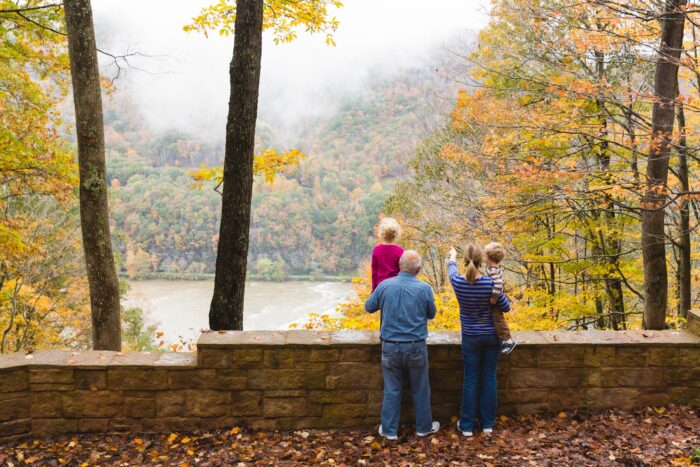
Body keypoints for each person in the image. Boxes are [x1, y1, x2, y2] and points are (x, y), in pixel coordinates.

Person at [365, 250, 439, 440]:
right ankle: (423, 428)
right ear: (418, 269)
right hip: (416, 346)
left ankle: (389, 431)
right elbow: (431, 314)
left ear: (399, 266)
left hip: (390, 347)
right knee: (421, 388)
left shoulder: (384, 286)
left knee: (392, 389)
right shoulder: (424, 289)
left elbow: (369, 307)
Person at [448, 244, 510, 437]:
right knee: (489, 378)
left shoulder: (458, 282)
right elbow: (506, 307)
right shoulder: (490, 285)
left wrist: (451, 257)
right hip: (492, 337)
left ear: (465, 261)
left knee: (471, 379)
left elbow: (451, 270)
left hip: (471, 338)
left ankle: (466, 426)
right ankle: (487, 424)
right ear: (481, 261)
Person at [483, 242, 516, 354]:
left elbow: (498, 284)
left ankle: (508, 340)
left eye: (485, 255)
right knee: (496, 320)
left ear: (488, 257)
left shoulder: (493, 270)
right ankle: (503, 339)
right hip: (497, 300)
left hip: (496, 303)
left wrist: (494, 298)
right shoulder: (494, 268)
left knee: (499, 321)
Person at [371, 217, 404, 291]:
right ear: (396, 234)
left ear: (381, 234)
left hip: (381, 287)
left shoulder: (377, 250)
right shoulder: (400, 251)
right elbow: (403, 272)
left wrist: (374, 290)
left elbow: (374, 273)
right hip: (396, 287)